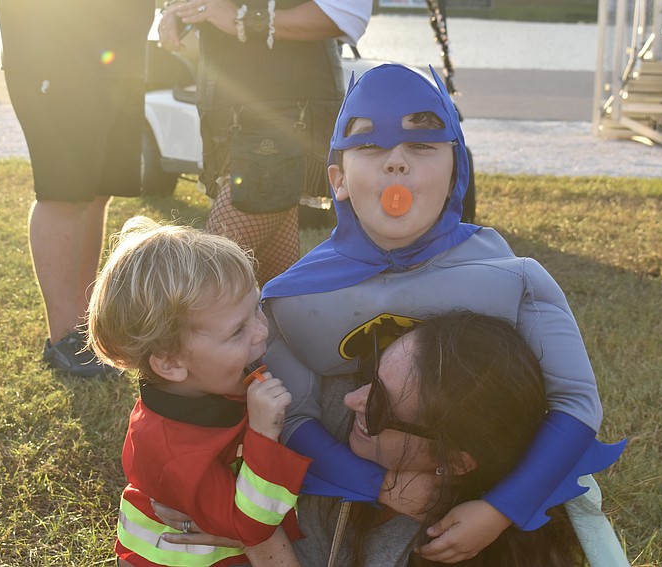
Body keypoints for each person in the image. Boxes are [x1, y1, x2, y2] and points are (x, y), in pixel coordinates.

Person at [253, 63, 625, 564]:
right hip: (347, 494)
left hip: (485, 478)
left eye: (422, 145)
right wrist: (378, 483)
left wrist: (500, 507)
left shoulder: (512, 278)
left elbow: (575, 404)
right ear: (338, 181)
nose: (396, 164)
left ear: (456, 171)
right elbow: (293, 416)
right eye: (369, 146)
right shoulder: (291, 299)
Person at [153, 311, 628, 566]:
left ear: (458, 461)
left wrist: (251, 537)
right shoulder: (330, 413)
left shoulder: (462, 536)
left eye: (380, 406)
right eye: (370, 376)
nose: (352, 400)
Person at [87, 216, 311, 567]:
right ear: (171, 364)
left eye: (257, 308)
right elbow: (250, 526)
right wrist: (263, 434)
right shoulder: (170, 449)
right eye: (237, 331)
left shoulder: (204, 383)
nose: (261, 332)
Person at [157, 0, 372, 285]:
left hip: (286, 104)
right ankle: (277, 329)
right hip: (226, 104)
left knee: (212, 267)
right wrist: (177, 11)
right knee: (273, 280)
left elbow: (347, 12)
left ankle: (173, 330)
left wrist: (244, 20)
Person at [0, 0, 154, 377]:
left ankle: (86, 328)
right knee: (64, 193)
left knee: (98, 192)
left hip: (119, 57)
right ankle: (64, 338)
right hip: (56, 52)